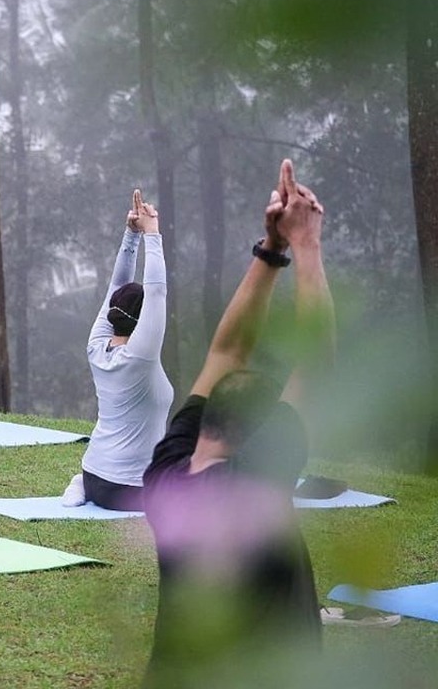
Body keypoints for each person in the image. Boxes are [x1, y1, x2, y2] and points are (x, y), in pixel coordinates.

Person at [141, 160, 333, 687]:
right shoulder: (253, 485)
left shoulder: (164, 477)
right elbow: (314, 361)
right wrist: (307, 244)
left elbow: (226, 353)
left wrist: (271, 251)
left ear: (207, 421)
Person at [62, 190, 171, 511]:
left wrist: (131, 234)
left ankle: (80, 483)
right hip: (130, 489)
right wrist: (152, 233)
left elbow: (116, 289)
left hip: (95, 475)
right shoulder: (141, 355)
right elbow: (157, 292)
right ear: (142, 321)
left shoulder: (97, 345)